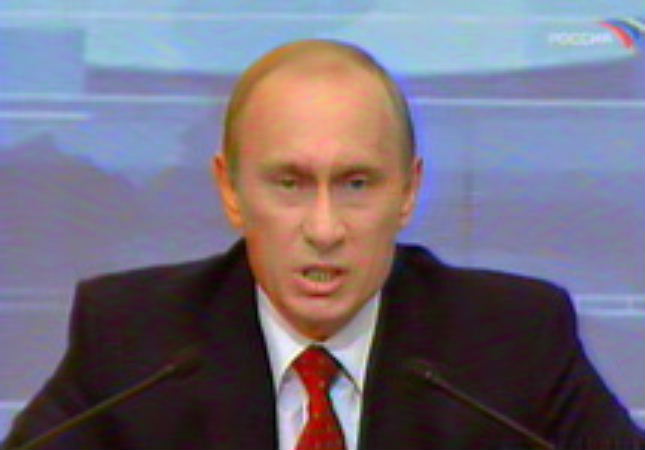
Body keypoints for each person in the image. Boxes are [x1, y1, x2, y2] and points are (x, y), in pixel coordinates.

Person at [3, 39, 644, 450]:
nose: (325, 229)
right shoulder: (135, 339)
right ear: (230, 190)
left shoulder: (515, 339)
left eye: (356, 184)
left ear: (408, 192)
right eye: (289, 183)